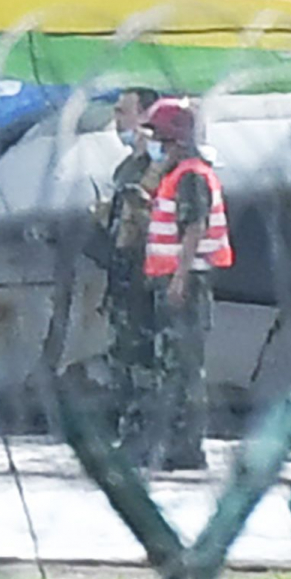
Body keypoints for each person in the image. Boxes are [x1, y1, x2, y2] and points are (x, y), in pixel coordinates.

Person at [141, 98, 230, 473]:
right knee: (173, 365)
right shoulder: (178, 173)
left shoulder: (191, 175)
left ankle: (186, 447)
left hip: (187, 282)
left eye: (159, 139)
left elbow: (193, 227)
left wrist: (179, 278)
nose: (156, 147)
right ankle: (174, 443)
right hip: (177, 279)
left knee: (184, 367)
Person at [86, 87, 162, 462]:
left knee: (143, 356)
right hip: (123, 271)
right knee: (123, 354)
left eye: (123, 111)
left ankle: (145, 434)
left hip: (147, 271)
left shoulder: (161, 163)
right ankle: (129, 430)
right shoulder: (127, 167)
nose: (117, 120)